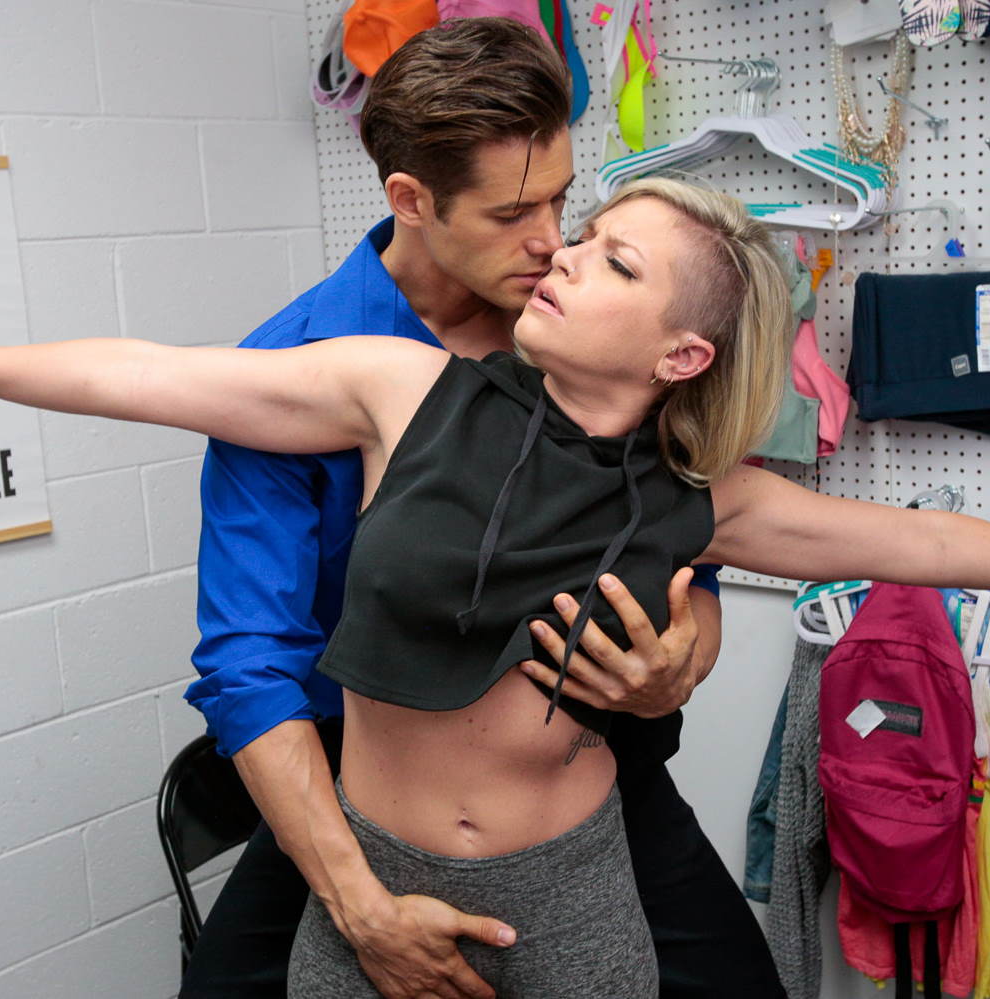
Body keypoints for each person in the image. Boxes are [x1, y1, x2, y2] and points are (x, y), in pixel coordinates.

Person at [0, 176, 990, 997]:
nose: (561, 259)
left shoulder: (706, 499)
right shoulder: (398, 389)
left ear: (679, 354)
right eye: (580, 237)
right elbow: (155, 375)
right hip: (369, 870)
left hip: (569, 888)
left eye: (611, 264)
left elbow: (920, 543)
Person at [179, 18, 779, 999]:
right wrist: (360, 906)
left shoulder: (588, 331)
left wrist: (679, 661)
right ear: (412, 200)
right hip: (359, 779)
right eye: (512, 213)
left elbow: (694, 547)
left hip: (573, 764)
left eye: (561, 200)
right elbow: (250, 663)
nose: (552, 242)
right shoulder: (298, 363)